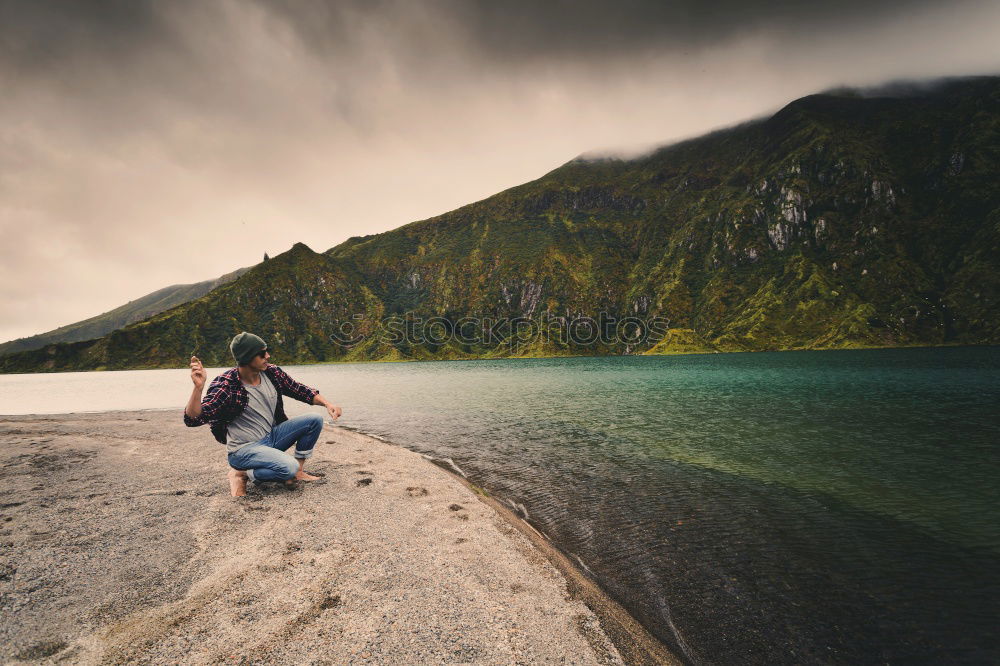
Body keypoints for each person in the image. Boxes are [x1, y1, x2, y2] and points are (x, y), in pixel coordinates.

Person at [184, 331, 343, 497]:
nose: (267, 356)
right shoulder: (226, 385)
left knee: (314, 419)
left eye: (266, 351)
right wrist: (198, 388)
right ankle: (242, 473)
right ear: (246, 358)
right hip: (243, 450)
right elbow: (193, 418)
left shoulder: (272, 373)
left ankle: (299, 471)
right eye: (261, 354)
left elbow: (299, 390)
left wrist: (327, 404)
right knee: (288, 468)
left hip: (272, 437)